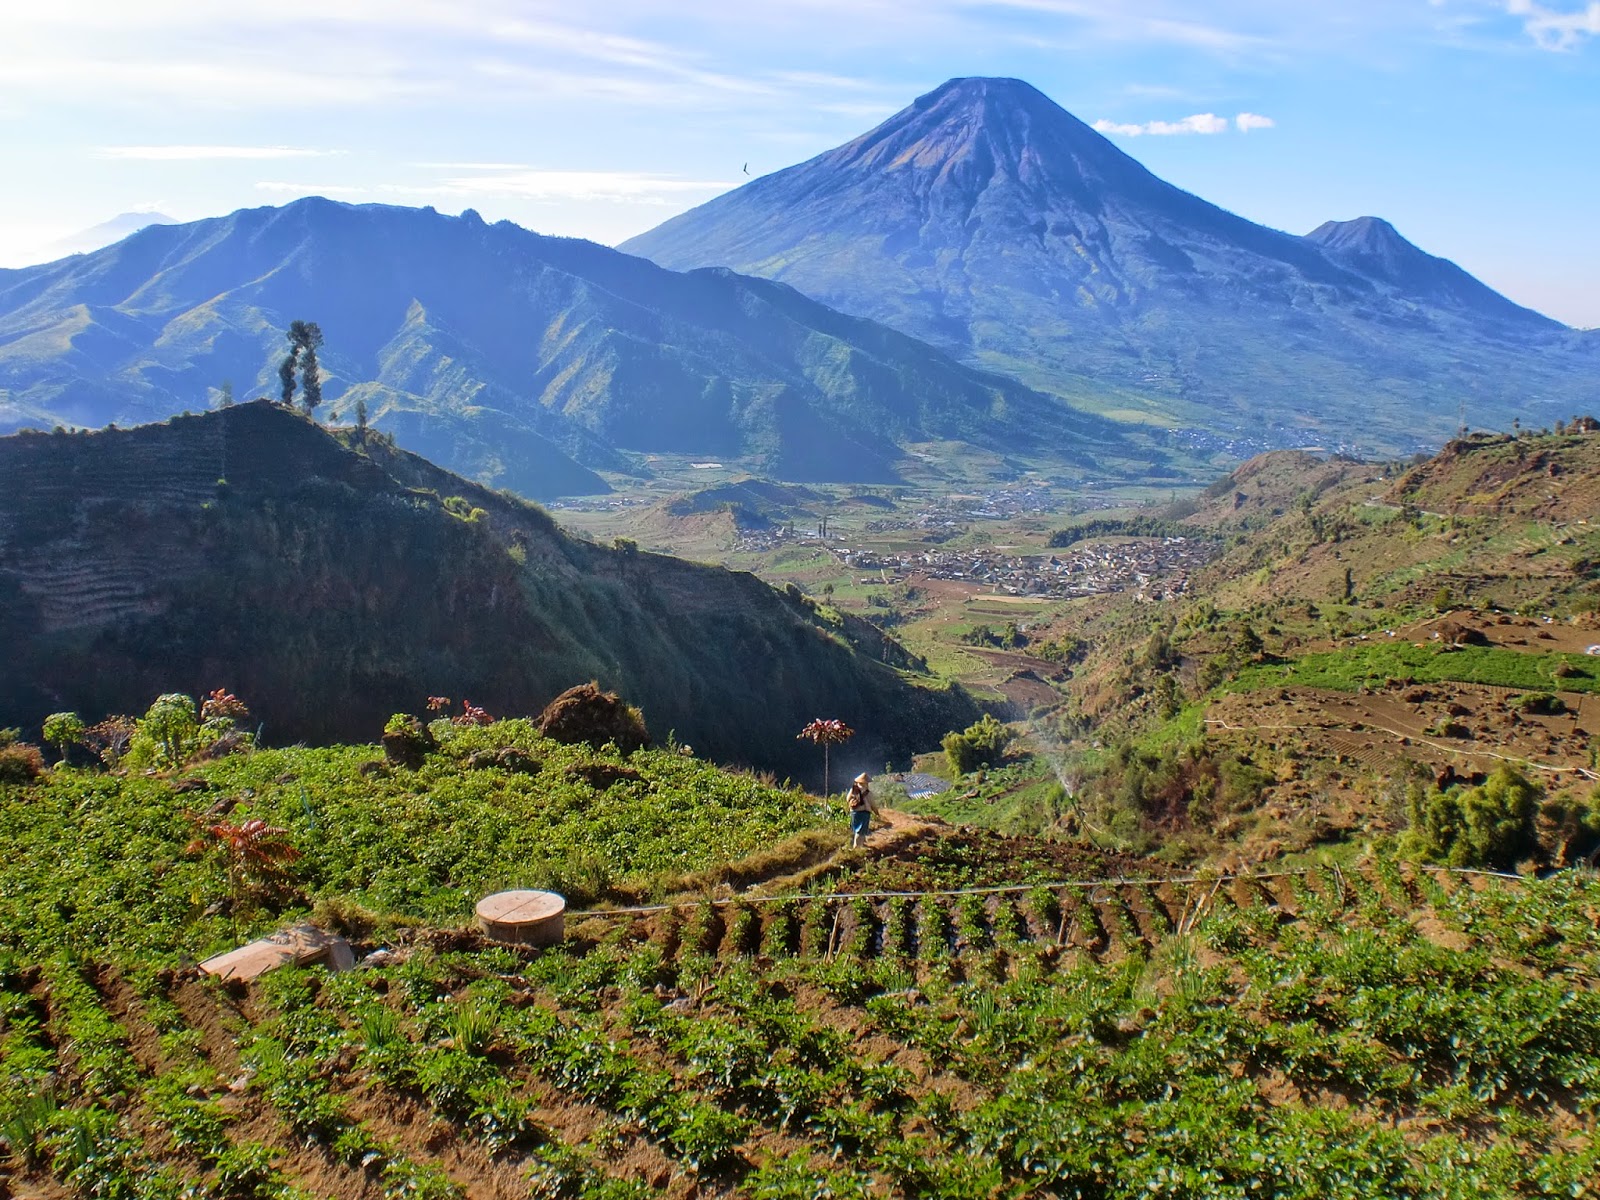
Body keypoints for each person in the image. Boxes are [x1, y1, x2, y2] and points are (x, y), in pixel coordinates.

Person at [847, 772, 875, 849]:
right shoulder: (868, 793)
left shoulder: (853, 790)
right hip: (864, 813)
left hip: (853, 812)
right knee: (861, 831)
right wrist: (876, 812)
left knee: (855, 829)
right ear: (866, 783)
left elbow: (847, 799)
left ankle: (857, 844)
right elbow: (873, 804)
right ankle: (856, 848)